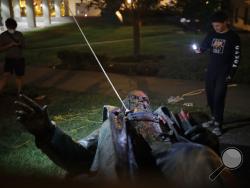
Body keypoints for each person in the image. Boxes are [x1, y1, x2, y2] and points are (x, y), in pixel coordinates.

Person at [14, 90, 235, 187]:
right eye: (133, 100)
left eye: (141, 100)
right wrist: (46, 132)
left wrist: (203, 139)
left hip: (171, 155)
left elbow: (210, 151)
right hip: (123, 163)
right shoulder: (113, 123)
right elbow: (77, 158)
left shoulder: (169, 121)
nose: (137, 102)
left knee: (199, 156)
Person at [194, 11, 241, 136]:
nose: (216, 28)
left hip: (224, 72)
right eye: (214, 26)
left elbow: (236, 57)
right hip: (211, 70)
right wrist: (200, 50)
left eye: (218, 25)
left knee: (219, 97)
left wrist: (231, 73)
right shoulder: (212, 34)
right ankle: (214, 118)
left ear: (226, 22)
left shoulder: (233, 37)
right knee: (210, 96)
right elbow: (204, 46)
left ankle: (218, 124)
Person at [0, 18, 25, 95]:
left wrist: (20, 44)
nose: (13, 29)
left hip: (19, 58)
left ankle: (19, 92)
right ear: (7, 26)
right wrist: (10, 45)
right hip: (9, 59)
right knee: (5, 76)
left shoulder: (19, 34)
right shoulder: (3, 36)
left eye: (14, 27)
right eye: (11, 27)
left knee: (19, 76)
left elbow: (24, 45)